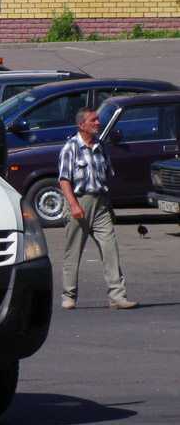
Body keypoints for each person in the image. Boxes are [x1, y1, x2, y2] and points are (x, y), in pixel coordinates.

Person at [58, 107, 138, 310]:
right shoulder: (71, 148)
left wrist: (110, 207)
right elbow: (64, 180)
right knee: (73, 250)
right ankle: (69, 295)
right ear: (81, 125)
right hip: (79, 202)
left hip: (100, 203)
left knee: (110, 248)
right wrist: (74, 205)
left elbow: (105, 179)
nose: (97, 123)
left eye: (97, 120)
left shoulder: (101, 146)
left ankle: (117, 296)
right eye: (93, 120)